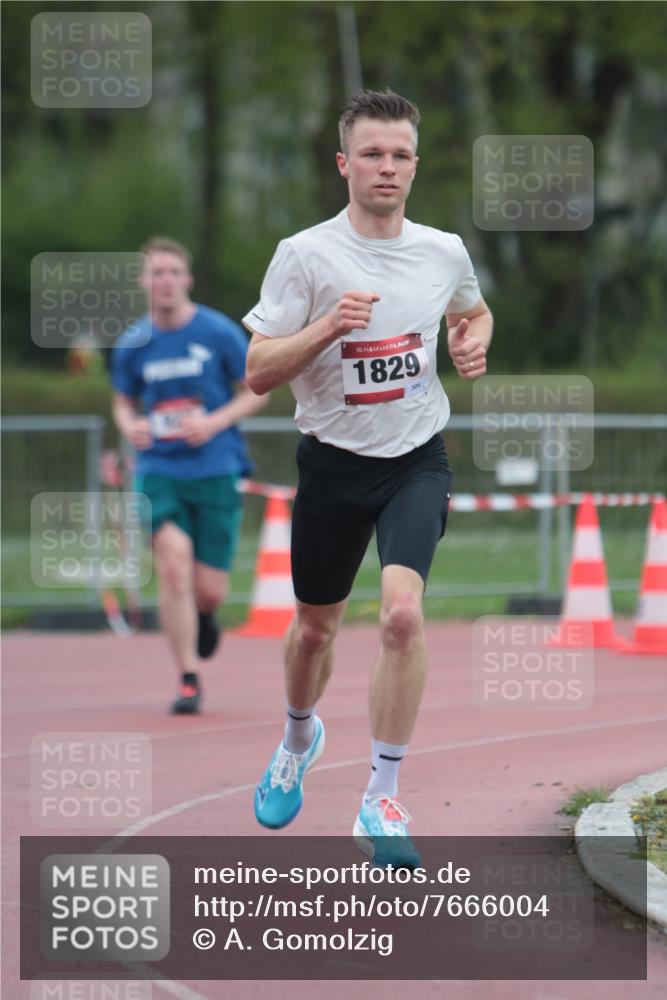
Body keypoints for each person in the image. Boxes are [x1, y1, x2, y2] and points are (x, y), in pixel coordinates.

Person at [243, 89, 493, 867]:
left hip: (415, 460)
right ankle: (296, 739)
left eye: (401, 155)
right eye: (373, 154)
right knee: (314, 629)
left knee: (400, 619)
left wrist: (472, 340)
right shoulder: (305, 255)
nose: (387, 167)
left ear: (416, 166)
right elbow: (256, 372)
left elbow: (472, 310)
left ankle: (380, 794)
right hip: (330, 464)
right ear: (345, 163)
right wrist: (327, 327)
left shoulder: (443, 250)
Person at [112, 236, 268, 714]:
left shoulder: (218, 332)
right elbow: (122, 401)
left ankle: (206, 613)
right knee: (172, 567)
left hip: (216, 466)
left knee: (208, 588)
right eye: (155, 273)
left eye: (172, 272)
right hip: (159, 468)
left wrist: (214, 422)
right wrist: (131, 425)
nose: (164, 281)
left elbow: (257, 390)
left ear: (187, 279)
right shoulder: (133, 343)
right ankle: (187, 676)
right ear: (144, 282)